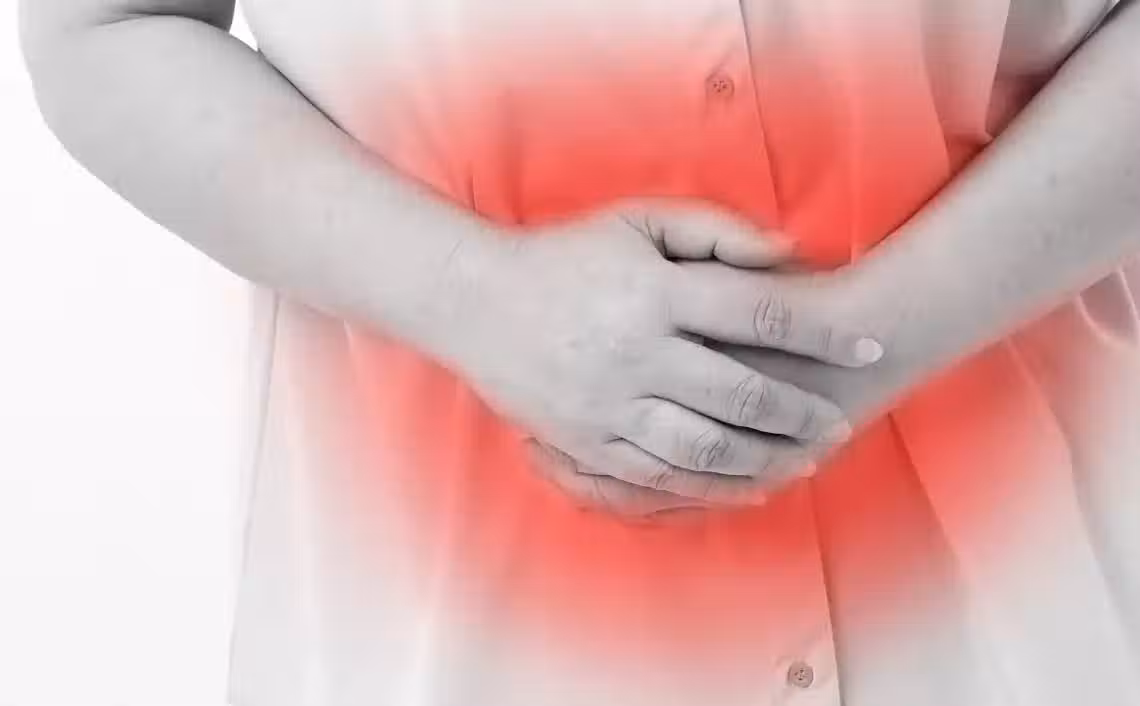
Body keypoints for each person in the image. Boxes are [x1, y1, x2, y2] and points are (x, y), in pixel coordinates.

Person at [20, 0, 1140, 703]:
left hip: (1025, 582)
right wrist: (472, 296)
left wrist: (889, 327)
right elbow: (103, 27)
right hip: (451, 616)